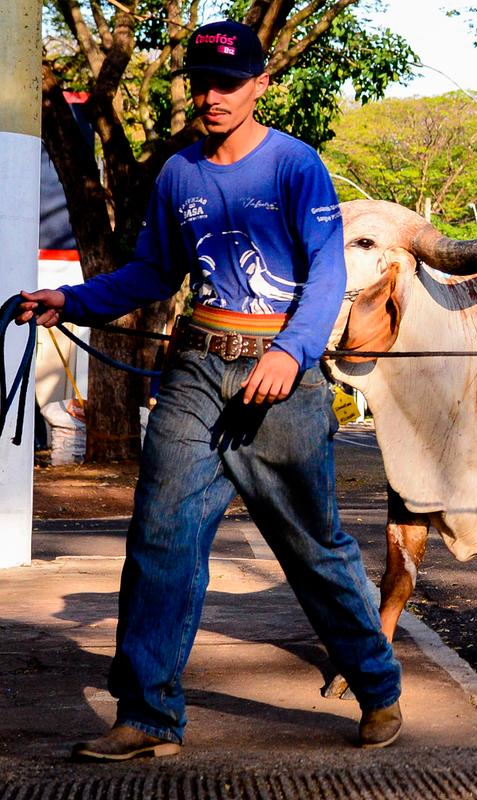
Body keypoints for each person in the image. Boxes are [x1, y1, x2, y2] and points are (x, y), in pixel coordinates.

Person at [19, 20, 402, 761]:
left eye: (229, 82)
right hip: (197, 371)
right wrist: (74, 301)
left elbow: (325, 275)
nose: (212, 94)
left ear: (261, 84)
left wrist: (292, 353)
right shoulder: (177, 175)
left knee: (312, 546)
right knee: (160, 536)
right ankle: (147, 714)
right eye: (201, 80)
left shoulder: (297, 167)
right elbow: (152, 272)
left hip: (281, 384)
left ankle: (378, 686)